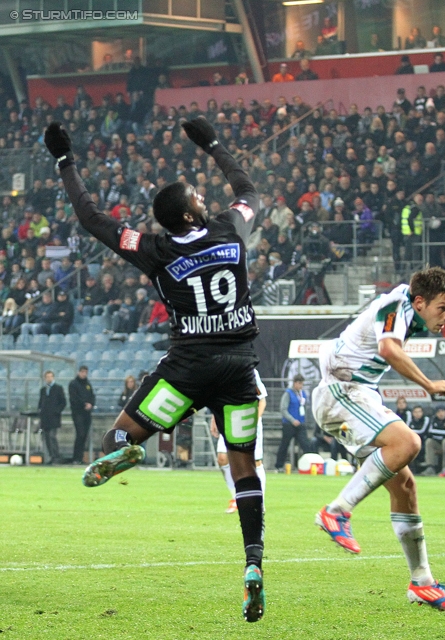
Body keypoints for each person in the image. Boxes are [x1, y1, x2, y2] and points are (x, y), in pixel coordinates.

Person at [44, 116, 266, 622]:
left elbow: (91, 218)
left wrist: (65, 161)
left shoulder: (155, 249)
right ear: (191, 213)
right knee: (244, 466)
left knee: (114, 442)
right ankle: (253, 562)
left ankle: (127, 453)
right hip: (239, 370)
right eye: (198, 197)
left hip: (187, 370)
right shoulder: (231, 229)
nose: (205, 199)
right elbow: (248, 188)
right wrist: (212, 144)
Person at [313, 267, 445, 611]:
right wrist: (428, 384)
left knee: (405, 489)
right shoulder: (394, 310)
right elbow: (388, 349)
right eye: (442, 310)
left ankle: (422, 583)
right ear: (419, 303)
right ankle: (336, 512)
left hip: (359, 392)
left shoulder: (414, 295)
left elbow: (444, 301)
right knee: (408, 443)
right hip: (342, 388)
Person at [213, 370, 268, 513]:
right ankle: (235, 498)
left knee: (255, 462)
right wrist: (214, 417)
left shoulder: (249, 371)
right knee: (222, 458)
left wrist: (255, 420)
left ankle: (258, 501)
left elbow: (261, 399)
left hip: (248, 419)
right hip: (227, 418)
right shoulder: (220, 371)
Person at [275, 374, 311, 472]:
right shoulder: (288, 393)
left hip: (301, 423)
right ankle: (279, 466)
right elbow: (283, 409)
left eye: (302, 384)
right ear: (295, 383)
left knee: (306, 444)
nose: (301, 386)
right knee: (284, 445)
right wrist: (292, 420)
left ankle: (311, 465)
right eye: (300, 384)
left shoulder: (303, 394)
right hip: (289, 424)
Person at [68, 365, 96, 465]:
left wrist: (91, 404)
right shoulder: (73, 384)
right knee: (80, 434)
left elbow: (92, 396)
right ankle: (76, 457)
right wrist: (84, 404)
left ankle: (80, 457)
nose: (84, 374)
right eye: (82, 372)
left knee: (84, 435)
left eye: (86, 372)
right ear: (79, 372)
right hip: (78, 412)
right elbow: (74, 398)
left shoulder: (88, 384)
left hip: (87, 414)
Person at [38, 370, 66, 465]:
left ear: (53, 377)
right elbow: (41, 402)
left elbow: (63, 402)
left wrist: (56, 411)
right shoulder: (43, 390)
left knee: (52, 436)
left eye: (50, 376)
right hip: (45, 418)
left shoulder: (58, 388)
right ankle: (50, 456)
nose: (49, 378)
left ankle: (56, 456)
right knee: (46, 438)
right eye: (47, 377)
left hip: (54, 418)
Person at [424, 405, 445, 476]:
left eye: (442, 411)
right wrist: (440, 432)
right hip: (437, 444)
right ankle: (430, 467)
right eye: (438, 412)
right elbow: (430, 432)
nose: (441, 413)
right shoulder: (433, 419)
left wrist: (437, 432)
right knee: (429, 441)